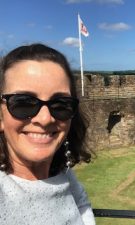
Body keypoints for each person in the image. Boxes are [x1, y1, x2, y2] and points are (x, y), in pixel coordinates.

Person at [0, 43, 95, 224]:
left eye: (60, 104)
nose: (45, 119)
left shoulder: (64, 175)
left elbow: (83, 208)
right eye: (23, 103)